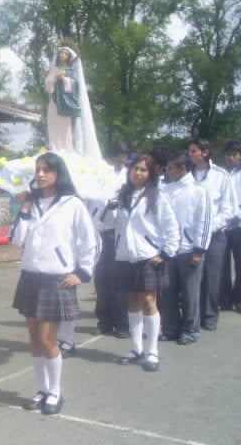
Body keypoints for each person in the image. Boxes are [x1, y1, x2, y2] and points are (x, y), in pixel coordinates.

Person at [11, 152, 98, 415]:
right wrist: (24, 209)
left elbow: (90, 241)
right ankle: (41, 389)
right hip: (30, 277)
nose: (40, 174)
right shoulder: (31, 202)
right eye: (38, 170)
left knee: (48, 339)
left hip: (55, 279)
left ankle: (55, 392)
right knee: (34, 339)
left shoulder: (73, 204)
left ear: (58, 174)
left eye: (46, 170)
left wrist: (82, 273)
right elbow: (16, 240)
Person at [115, 154, 179, 372]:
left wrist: (167, 252)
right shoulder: (122, 194)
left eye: (143, 169)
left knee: (149, 302)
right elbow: (112, 224)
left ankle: (152, 351)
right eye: (135, 169)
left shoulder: (156, 196)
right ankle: (136, 349)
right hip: (125, 256)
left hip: (147, 256)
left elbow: (171, 225)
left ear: (151, 173)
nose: (138, 173)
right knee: (132, 302)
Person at [160, 152, 212, 344]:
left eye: (170, 168)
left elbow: (204, 222)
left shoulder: (198, 191)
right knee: (168, 293)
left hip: (189, 250)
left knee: (190, 294)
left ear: (182, 168)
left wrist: (199, 250)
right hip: (168, 250)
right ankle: (171, 328)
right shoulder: (165, 190)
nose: (167, 171)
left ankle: (190, 330)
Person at [188, 139, 234, 330]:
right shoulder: (186, 175)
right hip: (190, 236)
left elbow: (228, 209)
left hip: (215, 235)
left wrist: (209, 227)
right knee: (192, 278)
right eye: (189, 151)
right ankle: (193, 317)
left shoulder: (220, 175)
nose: (190, 154)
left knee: (212, 277)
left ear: (205, 152)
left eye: (193, 151)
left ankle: (209, 316)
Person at [87, 142, 131, 338]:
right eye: (120, 158)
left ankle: (122, 322)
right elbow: (88, 201)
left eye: (125, 158)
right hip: (98, 232)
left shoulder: (128, 175)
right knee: (101, 279)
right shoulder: (95, 174)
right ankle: (104, 321)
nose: (123, 161)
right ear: (111, 157)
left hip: (117, 232)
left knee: (118, 279)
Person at [44, 46, 101, 158]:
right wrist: (55, 77)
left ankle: (65, 149)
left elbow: (75, 86)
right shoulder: (54, 70)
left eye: (65, 54)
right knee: (53, 125)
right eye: (61, 53)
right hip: (54, 103)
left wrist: (64, 79)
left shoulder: (70, 70)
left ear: (68, 57)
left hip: (65, 104)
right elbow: (47, 87)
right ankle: (54, 147)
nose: (62, 55)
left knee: (65, 128)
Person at [220, 140, 241, 314]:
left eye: (234, 154)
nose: (231, 158)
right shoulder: (220, 174)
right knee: (222, 265)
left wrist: (238, 216)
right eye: (228, 154)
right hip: (223, 226)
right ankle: (224, 299)